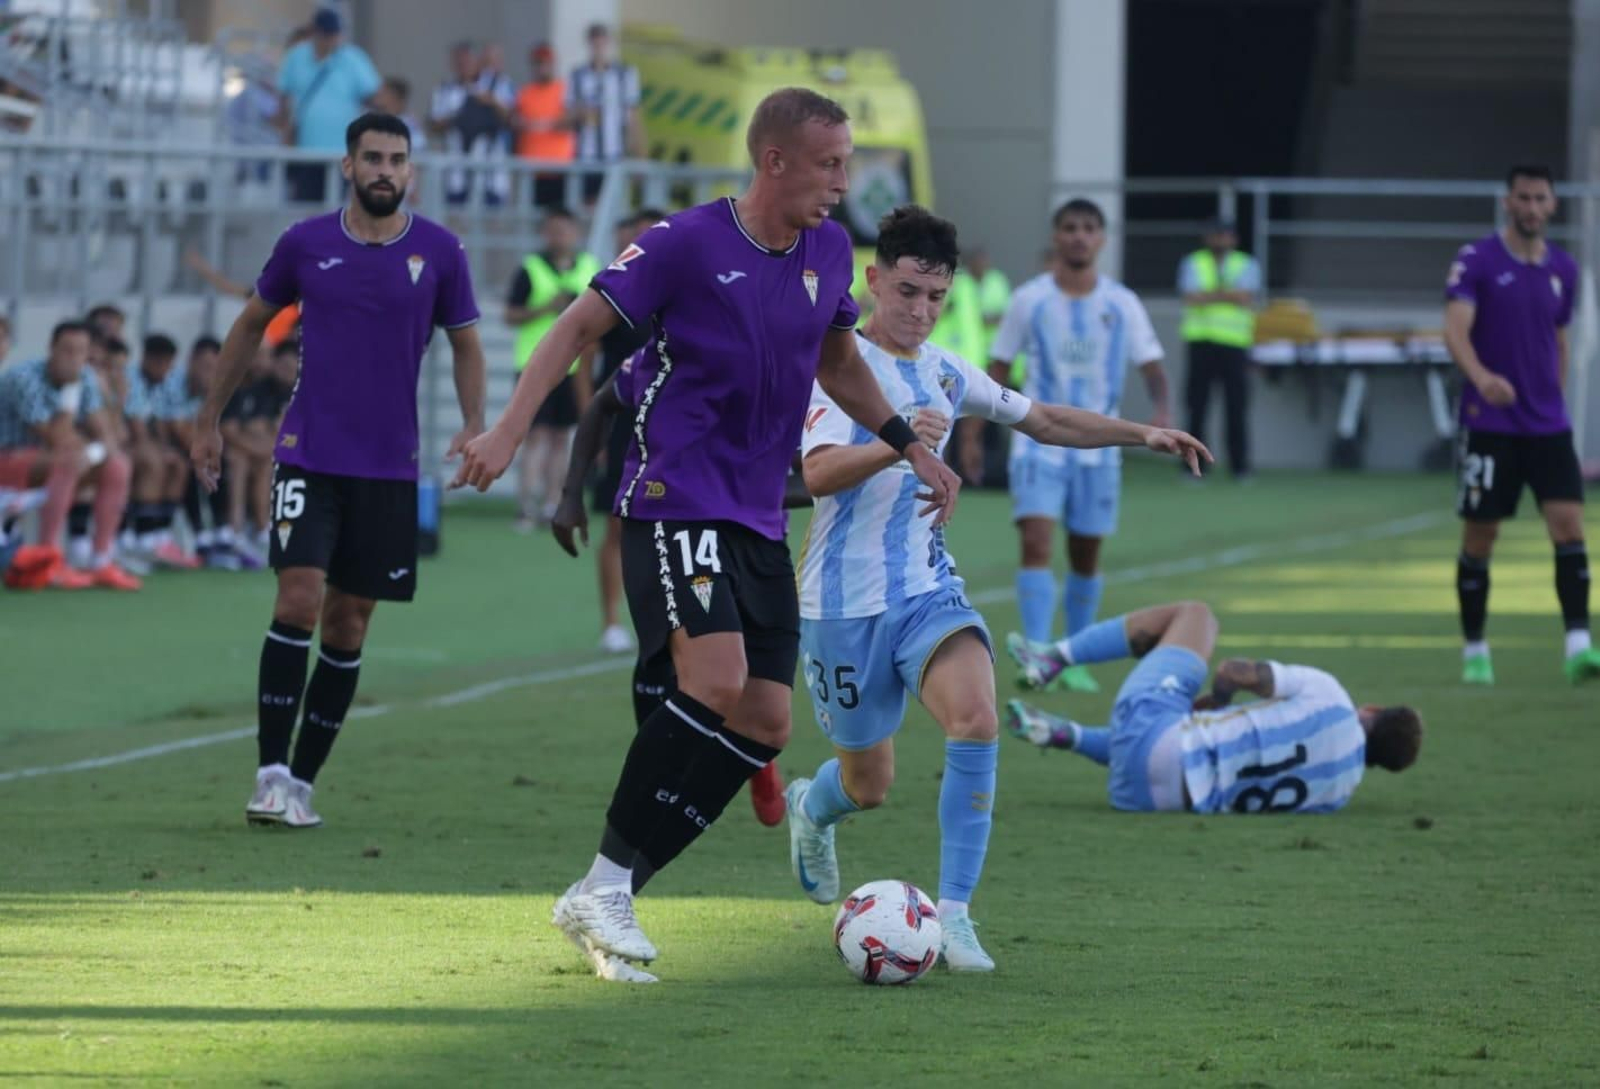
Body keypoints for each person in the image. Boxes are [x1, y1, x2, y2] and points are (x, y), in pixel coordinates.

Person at [452, 87, 963, 982]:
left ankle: (606, 891)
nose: (845, 182)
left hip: (758, 513)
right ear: (774, 161)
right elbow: (576, 328)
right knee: (716, 680)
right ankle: (608, 882)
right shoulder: (684, 243)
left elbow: (839, 361)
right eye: (830, 164)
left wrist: (906, 445)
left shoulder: (828, 251)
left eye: (847, 163)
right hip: (674, 493)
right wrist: (506, 430)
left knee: (766, 721)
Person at [783, 205, 1209, 972]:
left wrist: (1141, 432)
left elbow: (1043, 419)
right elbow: (816, 474)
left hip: (926, 591)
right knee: (868, 783)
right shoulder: (839, 366)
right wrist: (900, 444)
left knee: (977, 717)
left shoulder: (947, 372)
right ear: (873, 280)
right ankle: (812, 808)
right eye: (907, 291)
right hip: (840, 604)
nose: (921, 310)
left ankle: (954, 915)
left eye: (935, 297)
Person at [190, 113, 487, 830]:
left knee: (349, 622)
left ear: (410, 171)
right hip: (307, 453)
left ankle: (301, 781)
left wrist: (478, 424)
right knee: (297, 598)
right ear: (348, 166)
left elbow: (467, 344)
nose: (386, 170)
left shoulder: (440, 251)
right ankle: (268, 774)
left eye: (397, 159)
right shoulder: (306, 242)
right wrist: (208, 420)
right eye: (373, 158)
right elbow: (249, 325)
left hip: (388, 467)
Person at [983, 198, 1171, 694]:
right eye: (1070, 227)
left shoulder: (1122, 303)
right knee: (1036, 541)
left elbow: (1152, 364)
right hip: (1038, 444)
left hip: (1100, 450)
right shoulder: (1029, 299)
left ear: (1102, 239)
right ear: (1056, 236)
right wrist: (977, 432)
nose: (1079, 236)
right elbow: (998, 366)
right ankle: (1037, 653)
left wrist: (1161, 412)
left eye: (1089, 228)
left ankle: (1074, 659)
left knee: (1086, 554)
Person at [1003, 601, 1423, 813]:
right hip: (1151, 800)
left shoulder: (1332, 696)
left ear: (1372, 710)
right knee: (1179, 745)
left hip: (1158, 739)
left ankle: (1054, 656)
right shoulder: (1339, 793)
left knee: (1197, 615)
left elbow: (1234, 671)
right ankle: (1066, 735)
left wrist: (1219, 699)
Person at [1445, 164, 1600, 686]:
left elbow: (1559, 338)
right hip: (1488, 421)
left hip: (1547, 425)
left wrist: (1553, 395)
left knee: (1569, 525)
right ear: (1507, 202)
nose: (1532, 208)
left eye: (1540, 199)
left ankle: (1579, 646)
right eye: (1524, 198)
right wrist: (1483, 379)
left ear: (1553, 205)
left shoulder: (1564, 269)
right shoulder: (1477, 261)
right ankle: (1475, 650)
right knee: (1481, 534)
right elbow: (1454, 330)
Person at [0, 320, 141, 590]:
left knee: (118, 465)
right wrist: (72, 392)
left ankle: (101, 561)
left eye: (81, 351)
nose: (74, 358)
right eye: (67, 350)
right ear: (51, 348)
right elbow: (57, 438)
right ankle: (48, 559)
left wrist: (112, 407)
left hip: (46, 461)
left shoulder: (86, 376)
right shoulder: (23, 378)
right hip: (9, 460)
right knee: (68, 460)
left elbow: (108, 436)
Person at [580, 208, 663, 652]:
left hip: (673, 425)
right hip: (622, 422)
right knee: (617, 526)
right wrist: (590, 426)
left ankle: (667, 617)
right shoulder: (616, 291)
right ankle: (611, 621)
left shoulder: (687, 291)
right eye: (639, 235)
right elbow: (585, 361)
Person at [503, 207, 599, 532]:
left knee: (561, 438)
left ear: (576, 233)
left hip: (573, 367)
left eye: (565, 230)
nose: (560, 237)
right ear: (545, 233)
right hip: (533, 364)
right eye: (553, 230)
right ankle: (526, 506)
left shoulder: (589, 267)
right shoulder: (531, 268)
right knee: (535, 436)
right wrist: (546, 308)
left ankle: (552, 504)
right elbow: (510, 314)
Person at [1178, 217, 1261, 481]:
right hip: (1201, 342)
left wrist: (1209, 295)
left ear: (1234, 239)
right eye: (1215, 234)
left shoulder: (1247, 264)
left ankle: (1240, 467)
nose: (1220, 240)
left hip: (1234, 344)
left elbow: (1245, 297)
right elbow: (1191, 297)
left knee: (1236, 406)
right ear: (1207, 238)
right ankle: (1194, 467)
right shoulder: (1193, 262)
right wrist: (1228, 295)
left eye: (1225, 235)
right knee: (1197, 406)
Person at [277, 8, 381, 204]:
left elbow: (373, 96)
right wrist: (285, 130)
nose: (331, 40)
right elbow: (283, 96)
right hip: (305, 151)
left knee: (339, 207)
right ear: (314, 32)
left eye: (334, 34)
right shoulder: (296, 56)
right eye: (326, 34)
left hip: (343, 152)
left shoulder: (353, 58)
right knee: (305, 204)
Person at [122, 333, 200, 570]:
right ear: (147, 359)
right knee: (154, 461)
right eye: (161, 363)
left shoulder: (164, 384)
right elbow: (136, 427)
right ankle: (143, 537)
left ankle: (160, 534)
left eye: (168, 364)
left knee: (178, 464)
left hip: (146, 443)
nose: (165, 369)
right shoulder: (132, 379)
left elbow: (165, 424)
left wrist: (166, 448)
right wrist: (160, 450)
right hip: (125, 442)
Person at [430, 41, 515, 206]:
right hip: (456, 165)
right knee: (456, 211)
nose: (464, 66)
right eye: (459, 62)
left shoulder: (497, 84)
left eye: (468, 61)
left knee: (491, 212)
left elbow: (511, 118)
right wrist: (458, 115)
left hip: (490, 166)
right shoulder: (445, 88)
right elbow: (434, 123)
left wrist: (491, 101)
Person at [566, 23, 643, 204]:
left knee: (613, 206)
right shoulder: (578, 75)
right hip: (586, 156)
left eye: (601, 43)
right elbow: (569, 115)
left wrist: (639, 157)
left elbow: (634, 118)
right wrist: (581, 114)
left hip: (615, 155)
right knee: (587, 206)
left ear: (608, 43)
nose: (598, 49)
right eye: (595, 44)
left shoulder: (624, 74)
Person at [514, 43, 575, 209]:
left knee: (558, 215)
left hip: (559, 169)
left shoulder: (564, 90)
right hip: (530, 171)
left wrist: (543, 124)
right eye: (537, 63)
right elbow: (515, 122)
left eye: (545, 63)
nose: (541, 68)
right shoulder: (525, 93)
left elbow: (571, 122)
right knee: (530, 217)